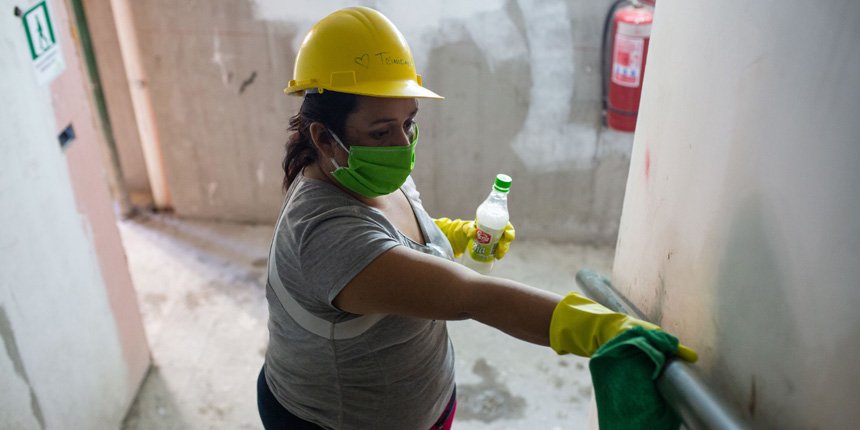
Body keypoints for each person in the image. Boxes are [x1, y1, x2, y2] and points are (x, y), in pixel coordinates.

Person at [257, 7, 696, 430]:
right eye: (381, 131)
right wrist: (599, 328)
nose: (402, 144)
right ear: (324, 138)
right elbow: (473, 296)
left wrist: (457, 235)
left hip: (418, 401)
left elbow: (394, 242)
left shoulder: (360, 171)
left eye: (409, 122)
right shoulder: (324, 234)